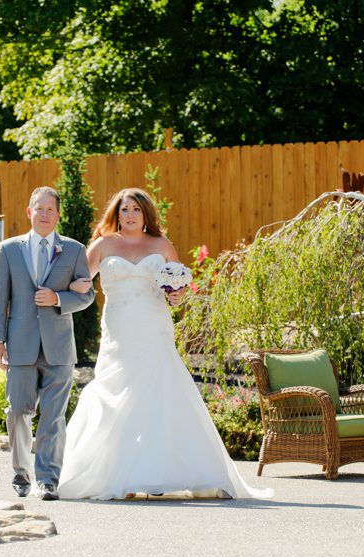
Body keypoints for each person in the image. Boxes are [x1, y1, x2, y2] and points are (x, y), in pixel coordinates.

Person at [57, 188, 273, 500]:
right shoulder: (103, 245)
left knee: (160, 394)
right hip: (119, 331)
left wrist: (177, 294)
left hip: (154, 328)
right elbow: (81, 282)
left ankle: (179, 473)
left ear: (146, 215)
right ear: (116, 214)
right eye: (124, 210)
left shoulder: (161, 245)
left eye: (136, 210)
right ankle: (118, 475)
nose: (129, 215)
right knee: (116, 394)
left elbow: (180, 287)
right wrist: (73, 285)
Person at [0, 186, 95, 501]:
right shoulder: (9, 249)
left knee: (53, 416)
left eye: (51, 209)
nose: (45, 214)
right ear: (29, 212)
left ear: (58, 215)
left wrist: (58, 298)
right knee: (18, 412)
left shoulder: (74, 250)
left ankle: (48, 479)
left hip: (59, 347)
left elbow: (86, 295)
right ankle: (21, 473)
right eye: (40, 208)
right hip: (19, 345)